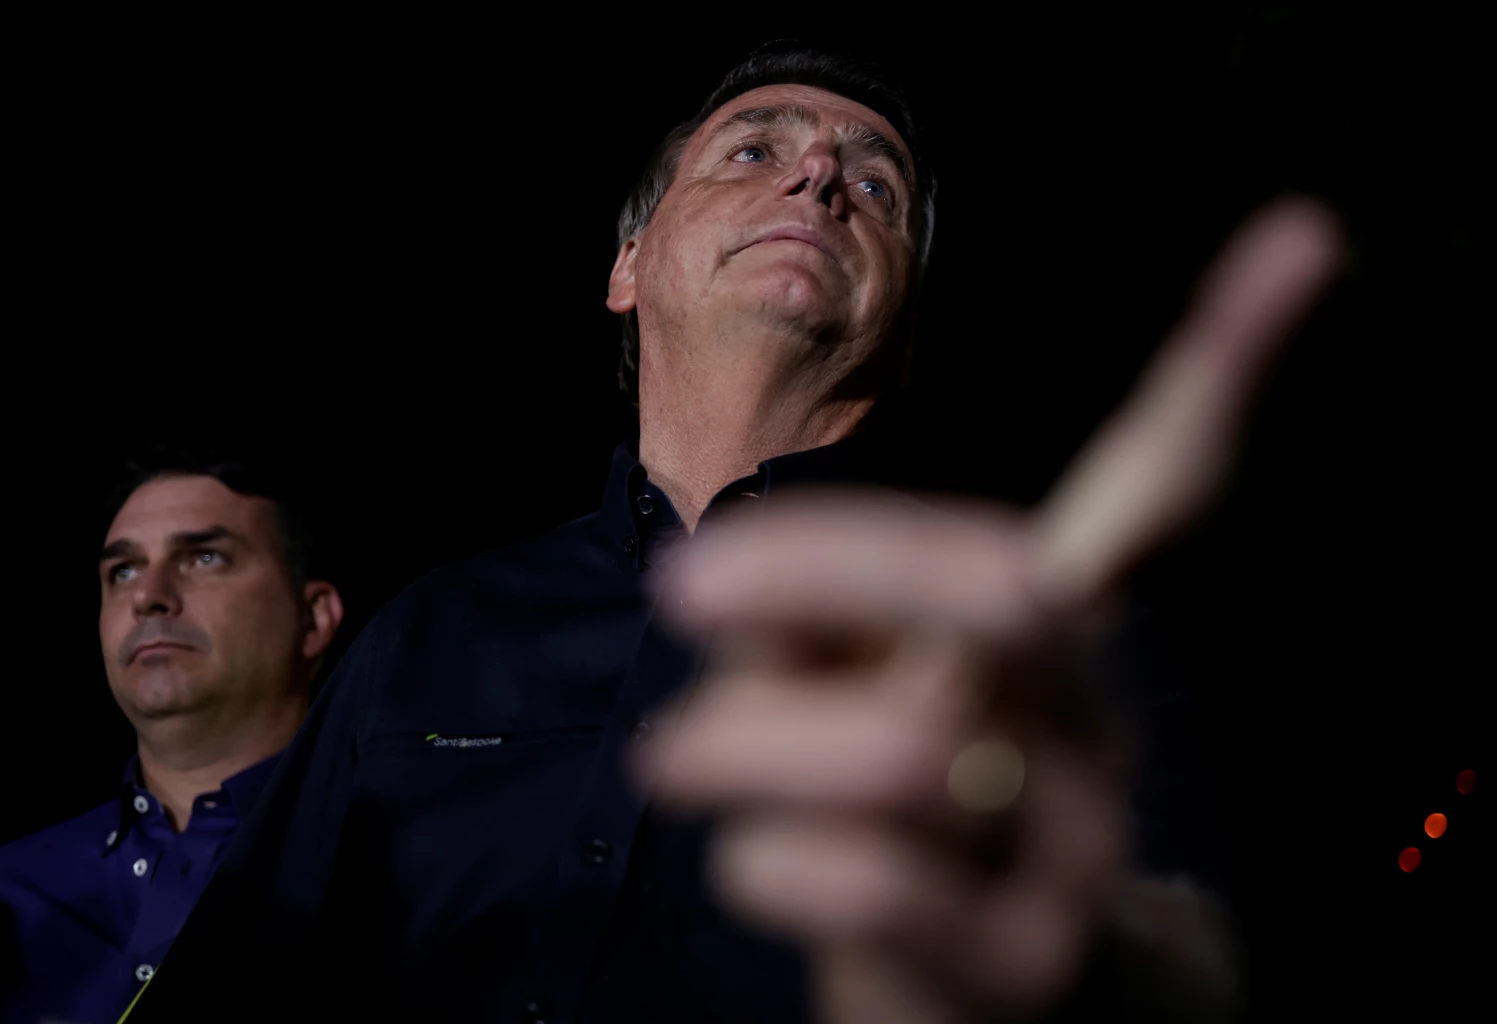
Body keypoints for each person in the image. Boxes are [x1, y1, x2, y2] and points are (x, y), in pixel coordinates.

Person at [130, 45, 1339, 1023]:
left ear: (905, 336)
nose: (816, 178)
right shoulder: (431, 630)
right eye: (753, 151)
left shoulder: (1029, 637)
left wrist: (1085, 970)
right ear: (627, 263)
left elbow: (1198, 966)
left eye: (874, 187)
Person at [0, 451, 343, 1024]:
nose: (148, 596)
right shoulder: (11, 889)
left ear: (313, 618)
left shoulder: (414, 869)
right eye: (123, 571)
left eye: (205, 557)